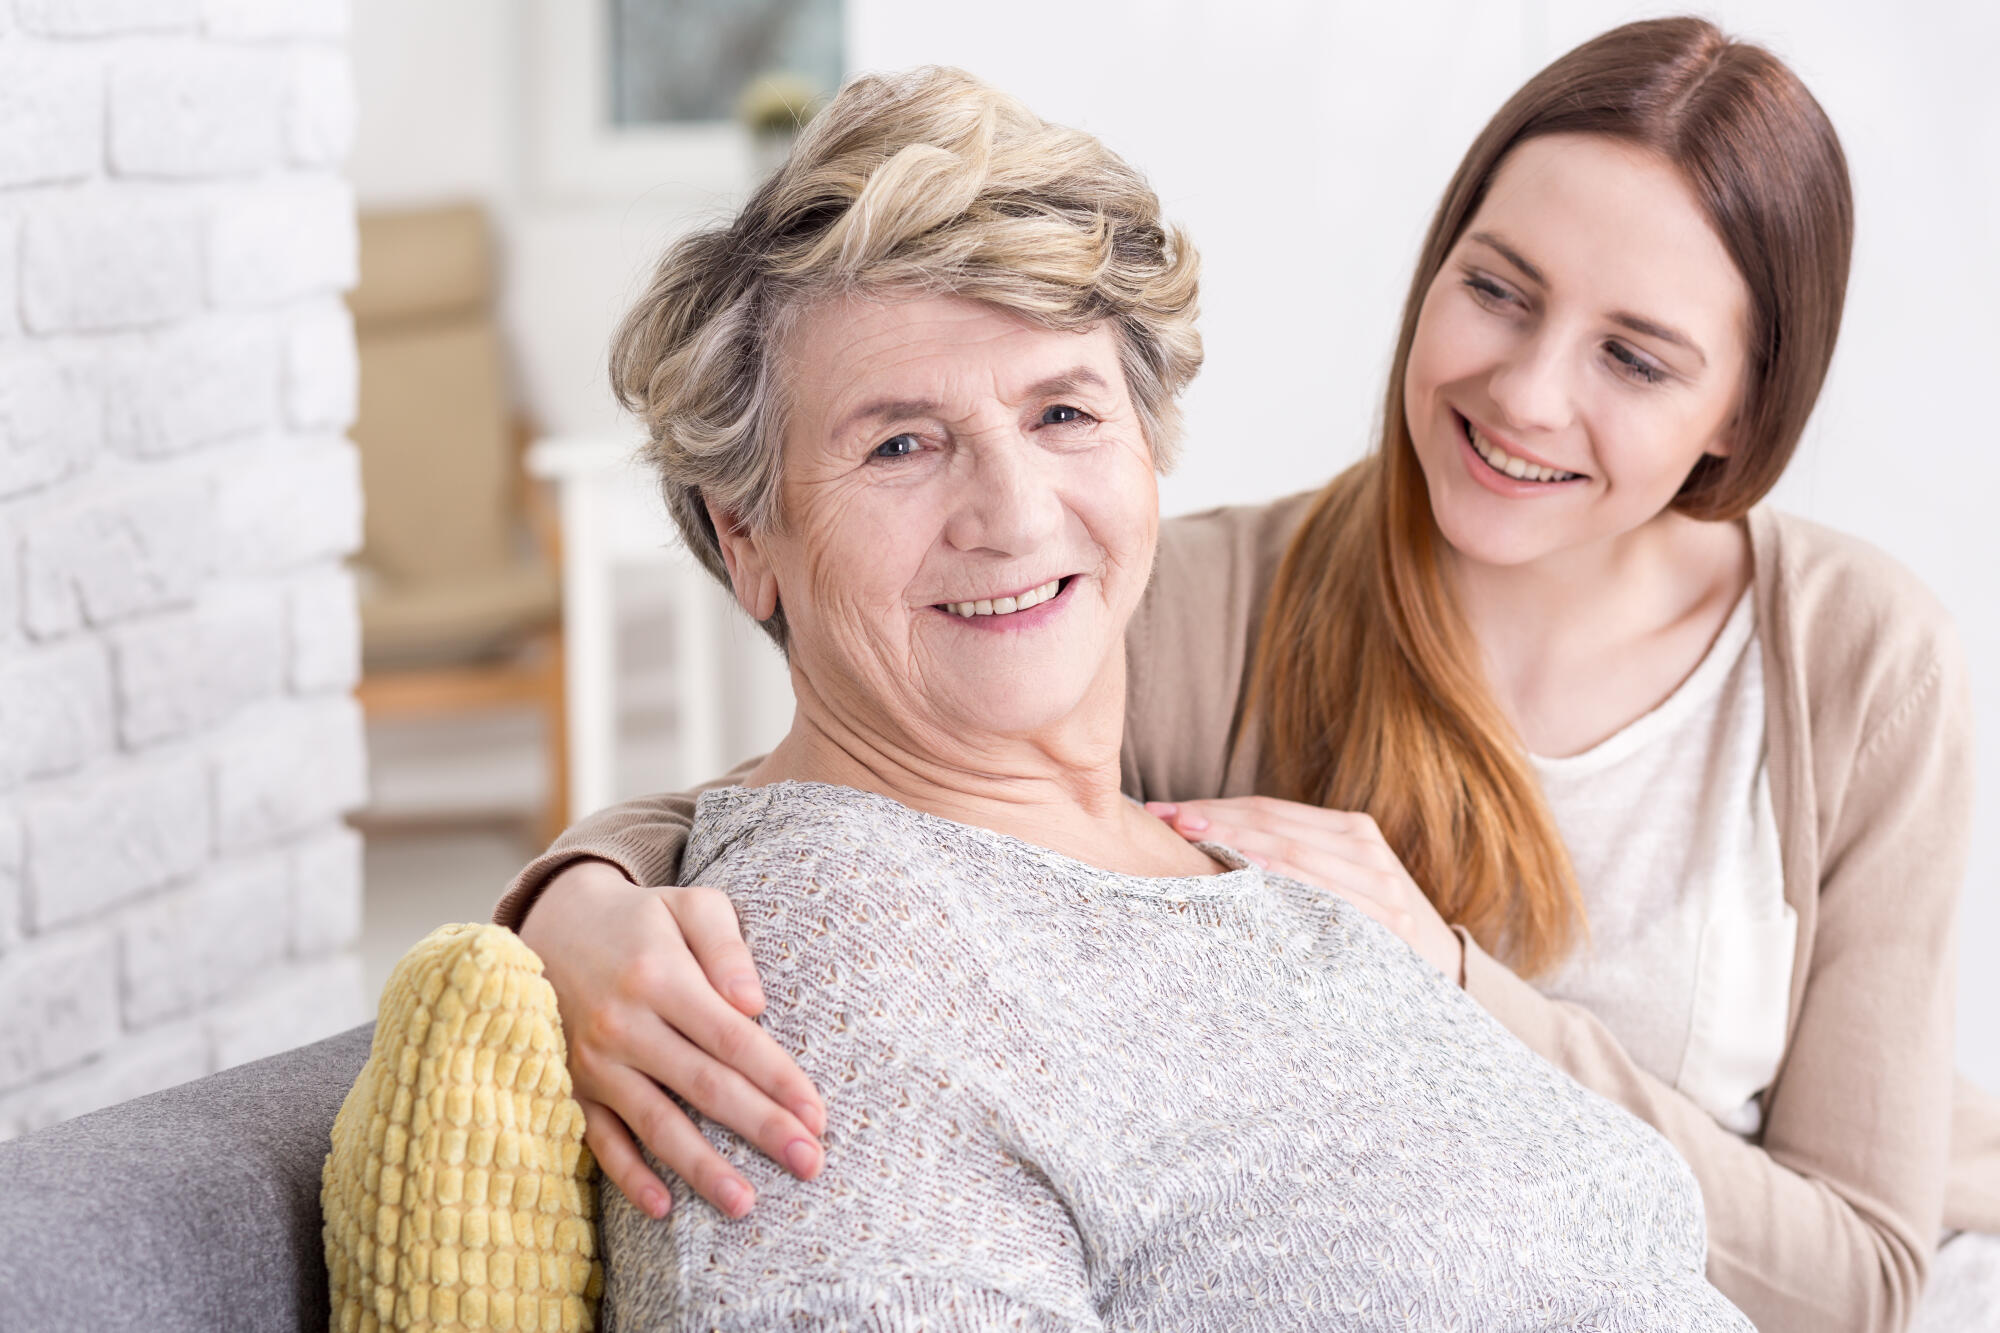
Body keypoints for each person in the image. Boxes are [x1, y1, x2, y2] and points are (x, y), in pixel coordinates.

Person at [501, 18, 2000, 1332]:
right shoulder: (1200, 601)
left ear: (1745, 410)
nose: (1529, 392)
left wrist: (1460, 976)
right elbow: (857, 778)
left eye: (1639, 357)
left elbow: (1867, 1270)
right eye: (1498, 289)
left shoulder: (1857, 660)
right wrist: (565, 908)